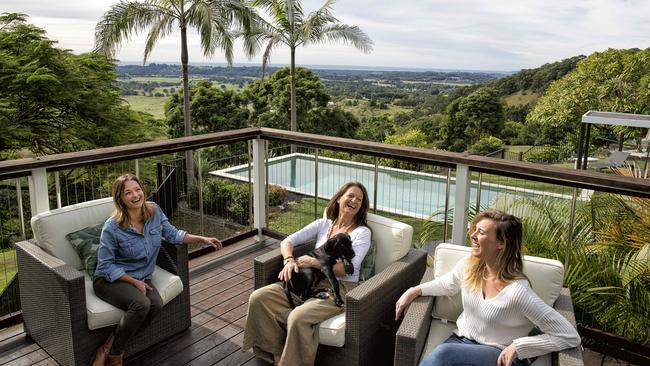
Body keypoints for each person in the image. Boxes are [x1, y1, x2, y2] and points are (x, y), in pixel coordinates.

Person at [395, 209, 581, 366]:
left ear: (501, 243)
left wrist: (519, 347)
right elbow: (448, 283)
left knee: (443, 354)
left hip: (498, 354)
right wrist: (414, 290)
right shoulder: (471, 265)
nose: (473, 236)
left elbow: (569, 336)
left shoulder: (517, 291)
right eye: (475, 230)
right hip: (460, 341)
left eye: (481, 232)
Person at [92, 174, 223, 366]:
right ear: (120, 198)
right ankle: (115, 357)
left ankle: (109, 345)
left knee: (156, 305)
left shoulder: (154, 211)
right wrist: (135, 282)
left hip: (142, 276)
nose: (135, 195)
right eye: (128, 192)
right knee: (142, 305)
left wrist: (203, 239)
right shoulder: (112, 227)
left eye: (137, 190)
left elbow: (174, 235)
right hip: (110, 280)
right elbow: (105, 265)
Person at [243, 182, 372, 366]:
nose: (354, 201)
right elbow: (287, 241)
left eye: (359, 199)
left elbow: (348, 267)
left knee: (298, 317)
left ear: (361, 207)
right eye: (350, 196)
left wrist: (313, 262)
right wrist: (288, 260)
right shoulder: (323, 224)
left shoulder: (362, 233)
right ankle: (277, 354)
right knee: (259, 297)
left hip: (338, 288)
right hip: (307, 283)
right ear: (339, 199)